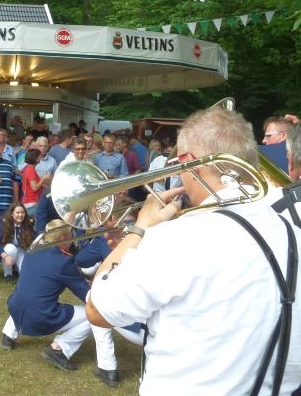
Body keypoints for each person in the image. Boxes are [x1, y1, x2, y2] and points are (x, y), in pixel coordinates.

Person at [87, 106, 301, 394]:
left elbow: (97, 309)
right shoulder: (290, 227)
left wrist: (140, 229)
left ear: (189, 162)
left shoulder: (178, 238)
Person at [1, 219, 119, 388]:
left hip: (15, 308)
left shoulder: (32, 250)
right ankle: (60, 349)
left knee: (29, 292)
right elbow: (88, 297)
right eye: (71, 234)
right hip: (38, 316)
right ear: (64, 238)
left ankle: (8, 336)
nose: (73, 236)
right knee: (91, 315)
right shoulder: (64, 262)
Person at [0, 203, 35, 282]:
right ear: (12, 214)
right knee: (11, 248)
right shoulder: (3, 222)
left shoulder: (29, 222)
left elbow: (32, 242)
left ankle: (16, 269)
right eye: (17, 212)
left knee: (25, 274)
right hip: (7, 251)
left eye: (22, 212)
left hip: (21, 249)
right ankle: (8, 274)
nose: (20, 215)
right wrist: (5, 256)